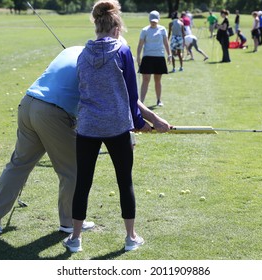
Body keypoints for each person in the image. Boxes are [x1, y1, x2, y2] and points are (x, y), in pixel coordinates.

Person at [0, 48, 171, 236]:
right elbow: (125, 95)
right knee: (74, 169)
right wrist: (150, 119)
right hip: (53, 113)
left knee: (19, 163)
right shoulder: (101, 60)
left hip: (28, 104)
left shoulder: (72, 51)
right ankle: (69, 222)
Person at [62, 0, 165, 253]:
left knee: (82, 182)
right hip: (117, 126)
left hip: (87, 126)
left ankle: (75, 239)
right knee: (124, 181)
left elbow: (84, 89)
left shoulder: (82, 53)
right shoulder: (123, 50)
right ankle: (131, 237)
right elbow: (131, 95)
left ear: (97, 26)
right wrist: (140, 124)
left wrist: (143, 121)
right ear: (116, 28)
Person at [137, 10, 172, 106]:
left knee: (157, 80)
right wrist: (138, 56)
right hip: (147, 57)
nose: (153, 23)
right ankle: (142, 102)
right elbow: (140, 44)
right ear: (149, 20)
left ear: (158, 20)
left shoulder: (162, 29)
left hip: (159, 57)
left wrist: (169, 54)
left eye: (155, 21)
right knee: (146, 79)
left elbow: (166, 43)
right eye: (152, 21)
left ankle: (159, 100)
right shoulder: (145, 30)